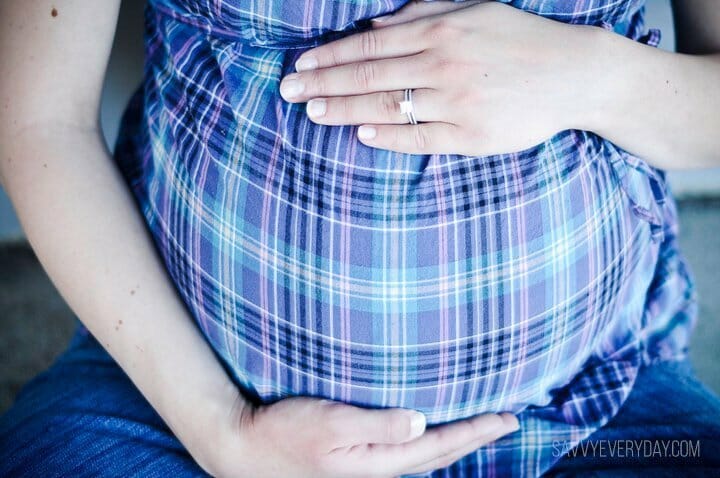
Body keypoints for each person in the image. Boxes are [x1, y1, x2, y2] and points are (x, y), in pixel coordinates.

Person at [0, 0, 718, 476]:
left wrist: (593, 79)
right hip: (178, 398)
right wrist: (220, 429)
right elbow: (39, 121)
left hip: (595, 401)